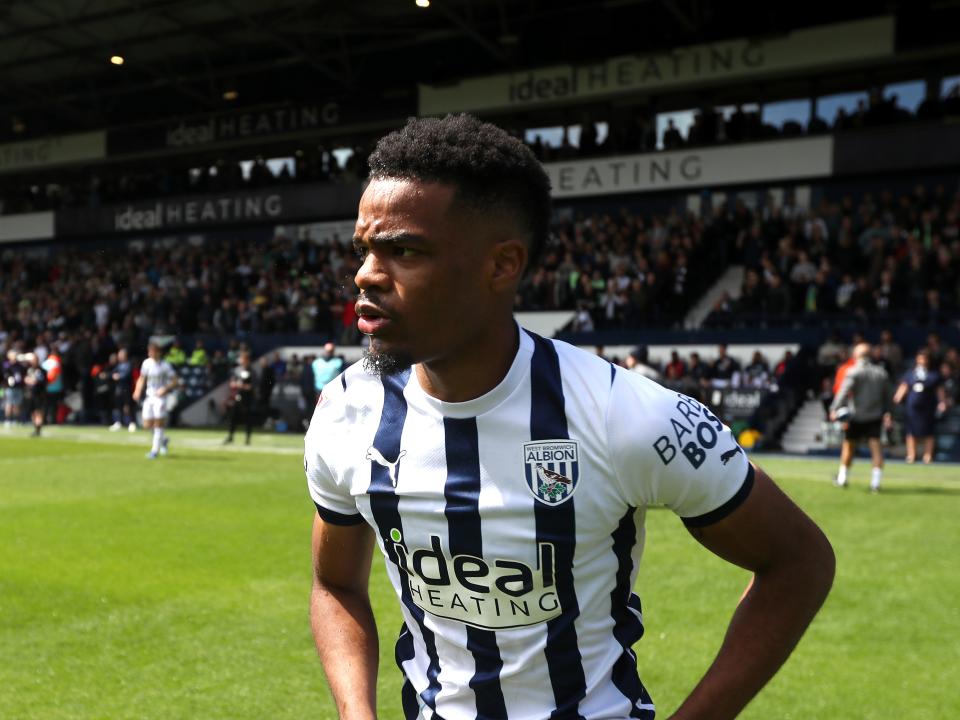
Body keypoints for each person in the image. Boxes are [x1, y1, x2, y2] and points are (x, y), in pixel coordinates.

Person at [304, 115, 834, 720]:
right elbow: (336, 584)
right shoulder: (346, 413)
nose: (367, 274)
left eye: (403, 250)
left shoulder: (625, 415)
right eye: (363, 250)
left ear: (502, 265)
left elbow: (799, 562)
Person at [829, 343, 893, 492]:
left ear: (856, 355)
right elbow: (888, 397)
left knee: (848, 447)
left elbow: (843, 392)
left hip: (855, 417)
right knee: (876, 449)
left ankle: (842, 479)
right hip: (875, 417)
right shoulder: (881, 373)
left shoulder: (853, 371)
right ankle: (875, 484)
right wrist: (889, 414)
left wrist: (834, 409)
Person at [893, 349, 947, 464]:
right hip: (912, 408)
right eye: (920, 358)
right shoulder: (910, 373)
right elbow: (904, 387)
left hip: (928, 408)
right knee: (911, 432)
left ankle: (927, 456)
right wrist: (897, 398)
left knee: (928, 433)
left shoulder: (934, 375)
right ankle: (911, 455)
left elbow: (940, 391)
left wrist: (942, 402)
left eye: (925, 358)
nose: (922, 361)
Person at [133, 342, 178, 459]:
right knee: (147, 424)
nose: (150, 353)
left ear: (158, 352)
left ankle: (154, 451)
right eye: (149, 351)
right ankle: (163, 440)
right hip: (149, 397)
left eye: (152, 351)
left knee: (158, 423)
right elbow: (142, 378)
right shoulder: (146, 363)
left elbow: (174, 381)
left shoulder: (165, 365)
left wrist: (165, 388)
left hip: (160, 398)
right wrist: (137, 390)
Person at [224, 349, 256, 445]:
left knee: (248, 418)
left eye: (242, 358)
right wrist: (235, 384)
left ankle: (247, 439)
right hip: (237, 397)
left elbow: (251, 386)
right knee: (233, 417)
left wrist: (241, 386)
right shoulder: (237, 370)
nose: (241, 360)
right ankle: (230, 436)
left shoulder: (251, 371)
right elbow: (232, 382)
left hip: (247, 398)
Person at [22, 353, 46, 437]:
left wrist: (31, 380)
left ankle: (38, 430)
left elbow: (37, 381)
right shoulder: (29, 370)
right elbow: (26, 380)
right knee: (33, 413)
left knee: (38, 412)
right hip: (30, 394)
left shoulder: (41, 370)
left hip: (38, 394)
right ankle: (35, 429)